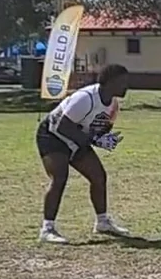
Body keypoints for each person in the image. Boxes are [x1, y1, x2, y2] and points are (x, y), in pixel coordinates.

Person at [36, 64, 132, 244]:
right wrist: (92, 140)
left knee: (98, 176)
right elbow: (63, 126)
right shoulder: (85, 98)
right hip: (52, 135)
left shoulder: (113, 105)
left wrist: (104, 140)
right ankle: (47, 229)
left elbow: (99, 130)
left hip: (76, 139)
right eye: (123, 82)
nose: (126, 86)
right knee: (59, 177)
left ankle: (102, 222)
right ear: (110, 82)